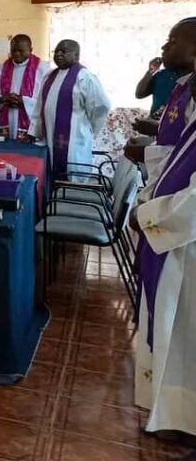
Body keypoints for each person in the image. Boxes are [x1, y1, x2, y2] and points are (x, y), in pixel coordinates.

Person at [132, 64, 196, 440]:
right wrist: (146, 200)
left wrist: (149, 215)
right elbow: (173, 163)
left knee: (183, 334)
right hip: (175, 245)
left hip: (184, 246)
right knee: (174, 330)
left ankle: (182, 418)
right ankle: (172, 412)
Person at [26, 39, 112, 179]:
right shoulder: (49, 76)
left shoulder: (85, 77)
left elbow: (101, 106)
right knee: (51, 175)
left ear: (76, 55)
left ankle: (75, 197)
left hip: (75, 140)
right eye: (56, 51)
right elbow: (39, 106)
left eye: (64, 51)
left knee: (74, 175)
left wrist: (87, 128)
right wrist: (34, 131)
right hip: (50, 139)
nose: (59, 54)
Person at [128, 20, 196, 168]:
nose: (163, 47)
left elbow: (189, 154)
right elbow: (139, 93)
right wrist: (156, 128)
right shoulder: (176, 82)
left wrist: (146, 154)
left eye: (172, 42)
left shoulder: (192, 91)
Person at [0, 34, 51, 141]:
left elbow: (48, 98)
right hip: (7, 121)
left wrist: (24, 102)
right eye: (13, 50)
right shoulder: (0, 69)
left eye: (21, 50)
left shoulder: (43, 69)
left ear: (30, 50)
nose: (16, 54)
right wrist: (1, 99)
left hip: (31, 123)